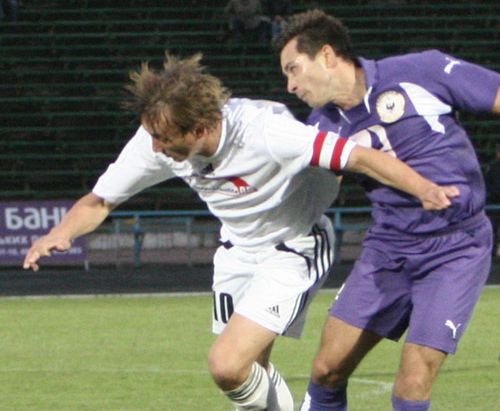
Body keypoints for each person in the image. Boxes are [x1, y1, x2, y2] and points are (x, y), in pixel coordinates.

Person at [23, 52, 458, 411]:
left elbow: (358, 156)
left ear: (202, 128)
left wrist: (424, 188)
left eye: (165, 138)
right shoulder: (156, 137)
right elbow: (100, 201)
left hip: (294, 246)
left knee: (227, 365)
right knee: (248, 378)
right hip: (235, 252)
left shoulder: (265, 131)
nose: (156, 147)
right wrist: (62, 233)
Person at [274, 9, 500, 411]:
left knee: (413, 382)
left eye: (294, 69)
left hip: (457, 247)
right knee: (327, 369)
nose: (291, 85)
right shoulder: (319, 128)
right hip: (388, 249)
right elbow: (308, 194)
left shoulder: (421, 71)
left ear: (327, 55)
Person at [485, 141, 500, 258]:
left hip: (494, 201)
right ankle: (493, 253)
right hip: (494, 203)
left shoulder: (493, 166)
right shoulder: (493, 167)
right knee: (493, 230)